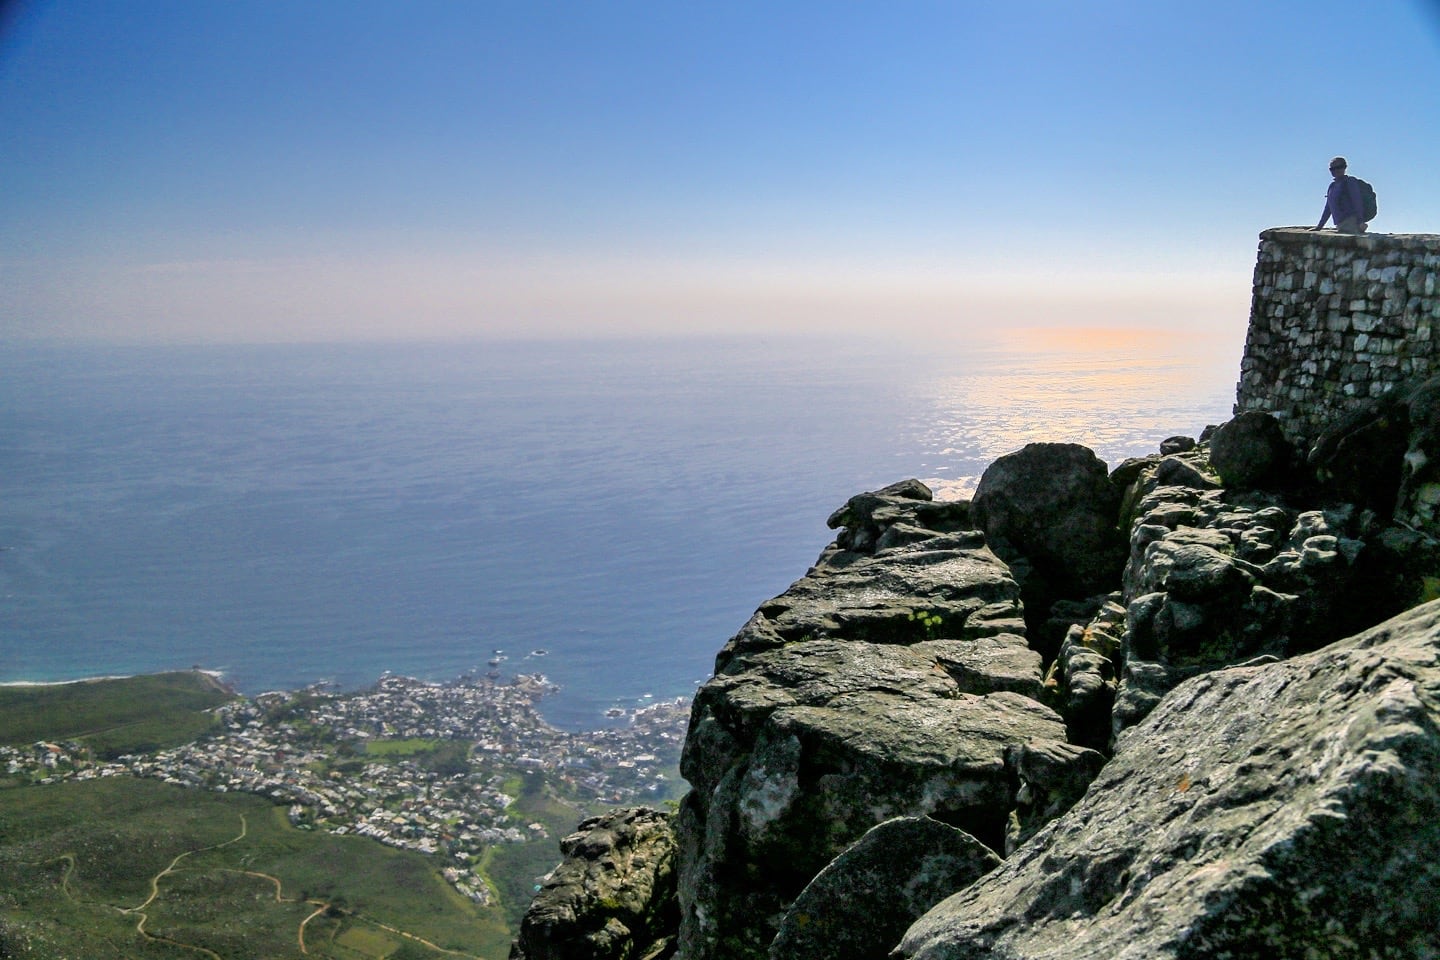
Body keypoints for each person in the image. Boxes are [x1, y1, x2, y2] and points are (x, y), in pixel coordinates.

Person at [1314, 157, 1367, 233]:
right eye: (1332, 169)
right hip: (1340, 224)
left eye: (1338, 167)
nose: (1335, 170)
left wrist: (1361, 221)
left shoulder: (1350, 182)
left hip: (1351, 222)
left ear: (1345, 167)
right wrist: (1319, 226)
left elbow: (1357, 202)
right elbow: (1328, 208)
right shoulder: (1332, 186)